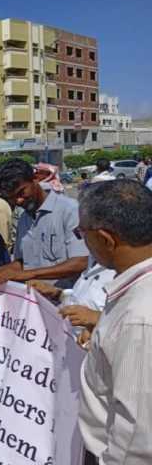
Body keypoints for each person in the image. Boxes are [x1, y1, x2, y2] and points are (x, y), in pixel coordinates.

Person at [75, 180, 152, 464]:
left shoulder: (139, 319)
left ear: (106, 239)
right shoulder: (135, 293)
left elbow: (137, 441)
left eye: (81, 233)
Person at [0, 159, 88, 288]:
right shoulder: (24, 219)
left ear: (35, 179)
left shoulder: (70, 210)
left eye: (21, 192)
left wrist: (30, 274)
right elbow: (22, 262)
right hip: (33, 301)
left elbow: (81, 262)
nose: (19, 200)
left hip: (66, 301)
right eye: (12, 197)